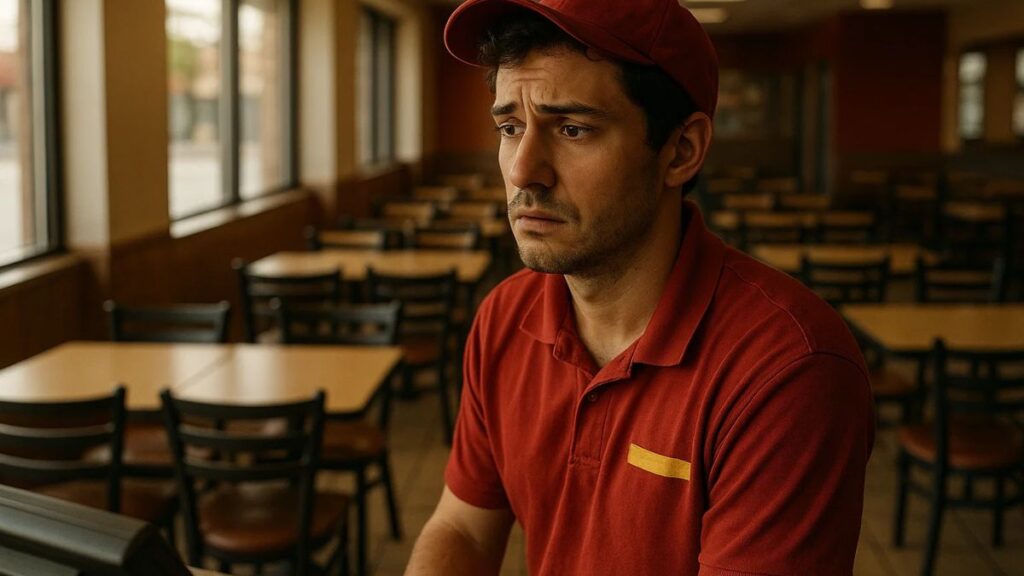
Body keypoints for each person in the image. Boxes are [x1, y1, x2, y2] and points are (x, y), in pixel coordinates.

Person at [406, 0, 875, 574]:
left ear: (681, 151)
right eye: (510, 127)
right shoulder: (505, 316)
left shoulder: (788, 368)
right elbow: (462, 527)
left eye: (573, 129)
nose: (522, 170)